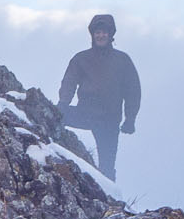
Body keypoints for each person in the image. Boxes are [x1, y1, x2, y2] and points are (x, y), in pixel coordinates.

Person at [57, 13, 141, 180]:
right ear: (92, 35)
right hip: (85, 113)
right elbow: (69, 82)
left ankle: (110, 200)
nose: (100, 35)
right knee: (52, 118)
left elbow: (133, 91)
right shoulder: (81, 59)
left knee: (107, 168)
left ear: (110, 35)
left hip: (109, 120)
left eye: (104, 32)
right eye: (97, 32)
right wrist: (63, 104)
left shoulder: (122, 60)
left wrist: (130, 119)